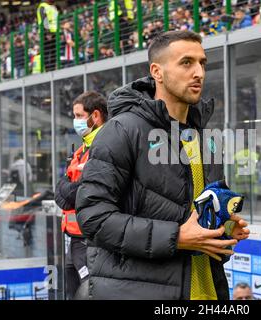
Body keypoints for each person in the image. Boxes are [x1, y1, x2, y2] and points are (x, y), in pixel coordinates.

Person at [75, 30, 250, 300]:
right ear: (157, 71)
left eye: (202, 63)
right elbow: (93, 218)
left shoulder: (204, 136)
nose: (199, 73)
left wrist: (223, 230)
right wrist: (175, 237)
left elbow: (196, 214)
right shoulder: (122, 130)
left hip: (207, 291)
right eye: (186, 62)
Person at [54, 91, 108, 300]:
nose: (75, 121)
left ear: (95, 116)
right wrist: (69, 190)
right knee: (72, 291)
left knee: (88, 293)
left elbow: (85, 191)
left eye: (78, 116)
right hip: (74, 239)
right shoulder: (80, 150)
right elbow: (62, 192)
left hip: (90, 239)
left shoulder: (105, 145)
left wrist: (69, 190)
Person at [37, 0, 58, 71]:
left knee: (53, 52)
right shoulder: (42, 6)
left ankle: (52, 68)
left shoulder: (52, 7)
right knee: (47, 52)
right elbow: (44, 19)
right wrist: (48, 33)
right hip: (46, 33)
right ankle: (48, 69)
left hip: (54, 32)